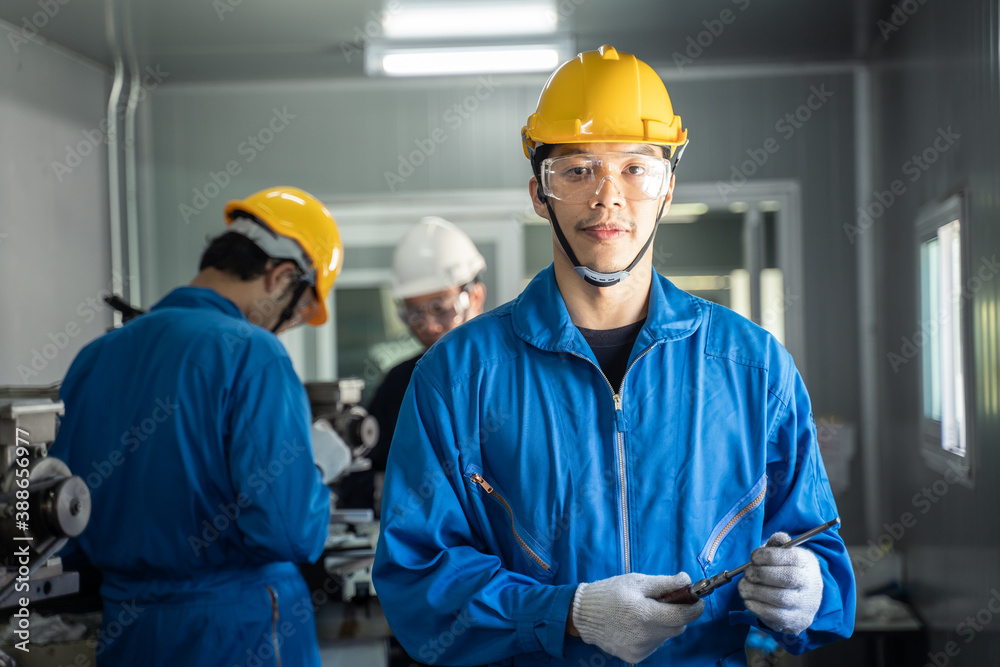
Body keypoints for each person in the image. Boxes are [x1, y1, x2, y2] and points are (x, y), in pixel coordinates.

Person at [372, 45, 855, 666]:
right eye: (576, 171)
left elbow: (821, 545)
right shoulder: (459, 376)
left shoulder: (754, 369)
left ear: (668, 188)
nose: (608, 198)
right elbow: (418, 583)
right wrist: (568, 614)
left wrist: (812, 588)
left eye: (635, 168)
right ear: (539, 193)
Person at [49, 186, 342, 666]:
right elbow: (288, 531)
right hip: (238, 632)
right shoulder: (254, 353)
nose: (288, 327)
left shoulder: (95, 358)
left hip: (128, 630)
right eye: (299, 311)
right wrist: (310, 469)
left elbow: (69, 527)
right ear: (281, 276)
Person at [340, 216, 487, 514]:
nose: (429, 325)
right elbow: (356, 481)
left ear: (475, 297)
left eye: (440, 308)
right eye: (415, 314)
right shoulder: (401, 383)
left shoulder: (514, 373)